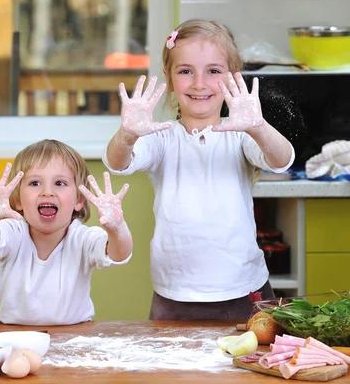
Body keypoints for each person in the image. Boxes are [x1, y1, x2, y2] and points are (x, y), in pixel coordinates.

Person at [103, 19, 295, 320]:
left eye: (213, 71)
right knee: (175, 369)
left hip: (246, 290)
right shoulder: (161, 136)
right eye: (185, 71)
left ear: (233, 77)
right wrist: (126, 135)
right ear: (168, 75)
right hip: (175, 295)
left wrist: (259, 127)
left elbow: (280, 159)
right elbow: (118, 162)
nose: (199, 83)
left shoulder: (242, 135)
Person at [0, 139, 133, 325]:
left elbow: (119, 254)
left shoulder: (83, 238)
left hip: (75, 336)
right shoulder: (13, 232)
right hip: (13, 335)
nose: (47, 192)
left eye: (59, 183)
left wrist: (117, 228)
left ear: (79, 199)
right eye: (34, 183)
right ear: (17, 200)